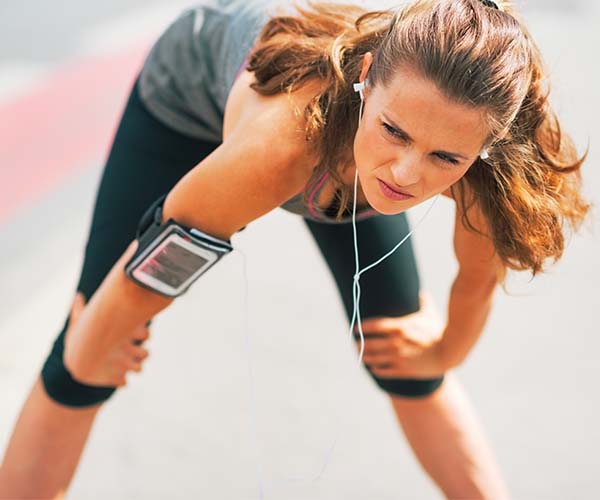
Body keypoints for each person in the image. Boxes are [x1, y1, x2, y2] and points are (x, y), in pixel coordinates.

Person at [0, 0, 590, 498]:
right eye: (395, 131)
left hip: (342, 165)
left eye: (446, 159)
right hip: (187, 102)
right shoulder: (277, 149)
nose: (406, 174)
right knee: (82, 358)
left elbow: (474, 282)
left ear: (485, 148)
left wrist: (442, 352)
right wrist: (93, 342)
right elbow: (146, 275)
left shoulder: (483, 168)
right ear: (365, 77)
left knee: (401, 352)